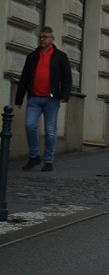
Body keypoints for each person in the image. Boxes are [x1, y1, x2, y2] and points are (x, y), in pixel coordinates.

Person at [14, 26, 73, 172]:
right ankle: (34, 156)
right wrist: (19, 98)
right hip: (34, 98)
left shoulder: (60, 56)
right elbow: (24, 78)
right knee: (29, 125)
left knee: (50, 131)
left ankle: (48, 161)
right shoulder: (32, 56)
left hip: (51, 99)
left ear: (52, 39)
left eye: (45, 37)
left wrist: (65, 95)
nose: (42, 39)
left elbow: (67, 78)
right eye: (40, 37)